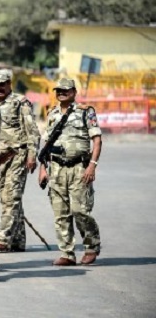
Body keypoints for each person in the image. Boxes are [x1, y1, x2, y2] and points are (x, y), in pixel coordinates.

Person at [38, 78, 102, 266]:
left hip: (79, 168)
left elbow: (97, 140)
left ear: (74, 92)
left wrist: (92, 165)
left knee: (80, 211)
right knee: (60, 213)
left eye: (65, 90)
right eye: (58, 90)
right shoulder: (52, 114)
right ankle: (67, 253)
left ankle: (91, 246)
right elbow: (46, 144)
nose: (61, 93)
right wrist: (43, 169)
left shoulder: (85, 112)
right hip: (56, 169)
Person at [0, 69, 40, 253]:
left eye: (2, 84)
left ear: (9, 84)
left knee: (11, 197)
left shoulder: (20, 102)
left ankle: (2, 239)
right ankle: (18, 240)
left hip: (17, 155)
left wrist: (32, 155)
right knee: (6, 197)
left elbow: (32, 130)